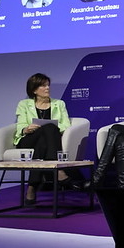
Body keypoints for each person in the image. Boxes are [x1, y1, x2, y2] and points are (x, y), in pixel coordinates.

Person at [14, 73, 80, 205]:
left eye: (48, 85)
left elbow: (65, 125)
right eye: (43, 86)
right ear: (34, 90)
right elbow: (20, 125)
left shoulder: (59, 104)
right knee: (47, 129)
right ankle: (58, 170)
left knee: (47, 133)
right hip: (29, 139)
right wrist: (26, 129)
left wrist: (50, 127)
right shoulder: (24, 104)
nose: (47, 88)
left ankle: (32, 186)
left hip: (47, 141)